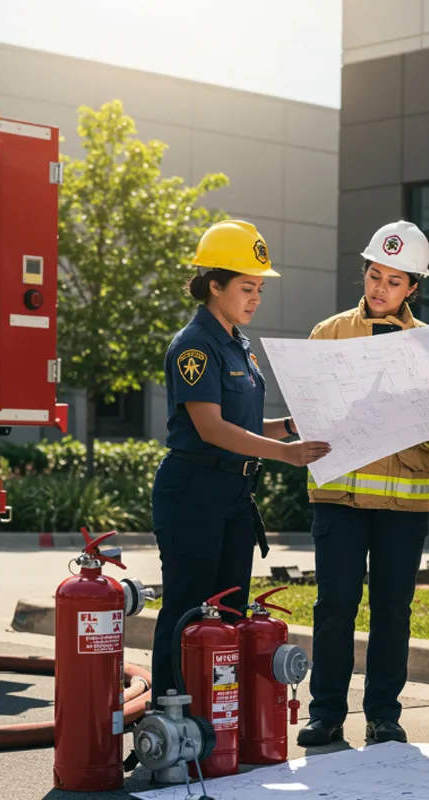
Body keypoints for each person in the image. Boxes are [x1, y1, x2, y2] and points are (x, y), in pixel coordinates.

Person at [150, 219, 331, 704]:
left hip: (232, 493)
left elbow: (245, 424)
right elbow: (211, 428)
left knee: (227, 612)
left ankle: (216, 719)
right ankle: (169, 717)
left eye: (259, 289)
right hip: (194, 491)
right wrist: (286, 454)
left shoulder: (237, 344)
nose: (255, 298)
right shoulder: (195, 345)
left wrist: (290, 425)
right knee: (188, 608)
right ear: (215, 286)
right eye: (246, 287)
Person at [295, 220, 429, 747]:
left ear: (412, 289)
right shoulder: (327, 333)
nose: (380, 288)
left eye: (394, 280)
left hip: (403, 506)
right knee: (334, 607)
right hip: (338, 501)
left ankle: (384, 714)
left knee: (391, 611)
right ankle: (326, 714)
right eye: (374, 275)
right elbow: (306, 410)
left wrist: (410, 408)